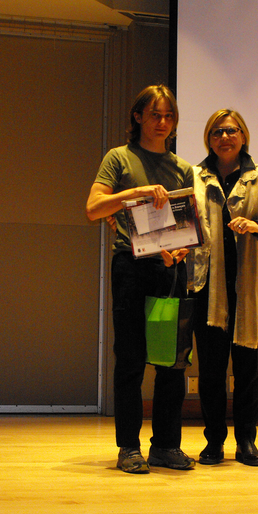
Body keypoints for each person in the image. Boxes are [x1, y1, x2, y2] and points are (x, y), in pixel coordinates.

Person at [86, 85, 195, 474]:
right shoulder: (119, 158)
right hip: (130, 268)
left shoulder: (183, 168)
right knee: (130, 360)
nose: (162, 122)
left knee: (172, 362)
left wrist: (180, 251)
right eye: (155, 115)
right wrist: (137, 192)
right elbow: (93, 209)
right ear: (138, 116)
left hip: (170, 270)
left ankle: (165, 446)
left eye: (169, 116)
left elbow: (187, 227)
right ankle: (129, 448)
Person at [188, 109, 258, 467]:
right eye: (217, 132)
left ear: (243, 136)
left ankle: (246, 440)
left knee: (248, 367)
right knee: (211, 370)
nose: (224, 137)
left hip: (252, 285)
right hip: (208, 284)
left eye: (231, 130)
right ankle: (214, 441)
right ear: (208, 139)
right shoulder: (194, 176)